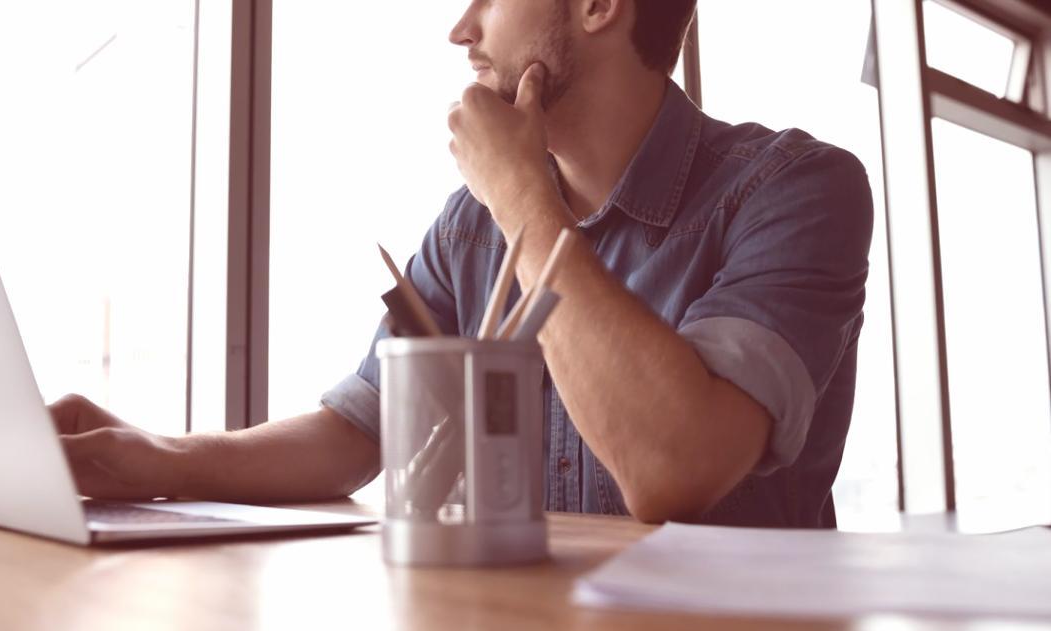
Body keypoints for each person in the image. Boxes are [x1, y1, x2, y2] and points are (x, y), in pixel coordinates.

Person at [49, 0, 873, 528]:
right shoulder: (470, 228)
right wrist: (163, 458)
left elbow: (672, 469)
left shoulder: (796, 190)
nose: (460, 29)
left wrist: (523, 199)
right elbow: (357, 432)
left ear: (597, 7)